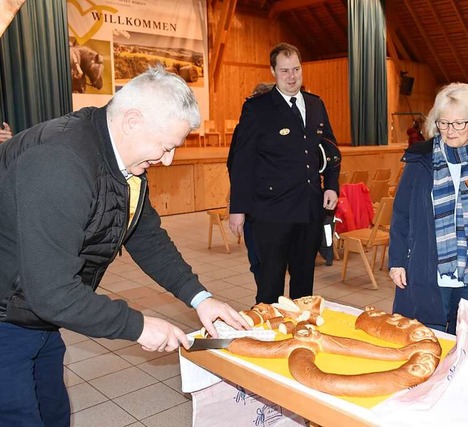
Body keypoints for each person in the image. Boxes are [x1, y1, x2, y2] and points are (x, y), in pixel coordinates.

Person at [0, 66, 250, 426]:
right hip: (7, 317)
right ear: (132, 120)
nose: (168, 160)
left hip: (34, 316)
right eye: (166, 147)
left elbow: (144, 233)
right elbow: (53, 292)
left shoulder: (123, 163)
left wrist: (199, 297)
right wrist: (138, 326)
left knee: (52, 412)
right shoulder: (59, 161)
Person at [389, 83, 468, 334]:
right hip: (426, 267)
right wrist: (397, 261)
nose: (449, 130)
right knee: (425, 338)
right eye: (443, 123)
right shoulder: (419, 160)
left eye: (458, 123)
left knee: (466, 342)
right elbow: (401, 214)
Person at [228, 42, 340, 304]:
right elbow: (241, 162)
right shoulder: (258, 109)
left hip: (308, 208)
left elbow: (331, 150)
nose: (292, 77)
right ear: (273, 72)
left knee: (304, 284)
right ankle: (268, 338)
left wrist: (332, 185)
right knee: (270, 285)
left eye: (296, 70)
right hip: (271, 212)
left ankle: (301, 337)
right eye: (285, 71)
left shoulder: (315, 105)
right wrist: (238, 208)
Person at [227, 82, 275, 285]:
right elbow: (235, 165)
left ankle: (268, 301)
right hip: (254, 206)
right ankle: (265, 301)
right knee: (258, 262)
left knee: (265, 262)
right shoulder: (244, 128)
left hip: (269, 207)